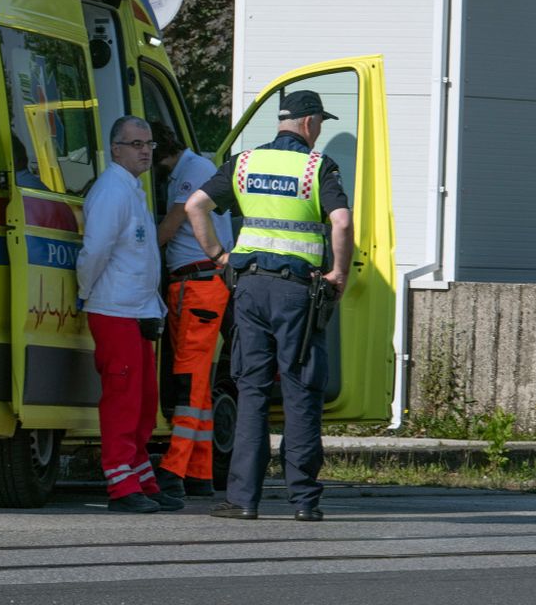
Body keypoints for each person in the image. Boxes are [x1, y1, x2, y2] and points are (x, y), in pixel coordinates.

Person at [184, 89, 352, 522]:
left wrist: (218, 256)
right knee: (300, 390)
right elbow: (341, 221)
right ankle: (304, 502)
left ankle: (243, 499)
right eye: (320, 124)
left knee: (252, 392)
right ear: (309, 122)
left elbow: (195, 205)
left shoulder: (243, 162)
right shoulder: (317, 167)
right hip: (297, 292)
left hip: (249, 288)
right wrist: (339, 273)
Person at [76, 116, 181, 514]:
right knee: (123, 401)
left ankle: (140, 478)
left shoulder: (132, 190)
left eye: (149, 144)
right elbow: (96, 250)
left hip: (136, 310)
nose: (145, 151)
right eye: (136, 144)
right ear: (115, 149)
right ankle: (121, 484)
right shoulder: (112, 191)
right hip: (114, 309)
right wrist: (86, 292)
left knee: (142, 402)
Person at [148, 122, 234, 499]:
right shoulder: (190, 169)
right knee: (197, 383)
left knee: (189, 380)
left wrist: (133, 248)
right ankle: (199, 471)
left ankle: (174, 468)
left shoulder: (194, 170)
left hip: (198, 285)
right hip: (197, 285)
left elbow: (169, 229)